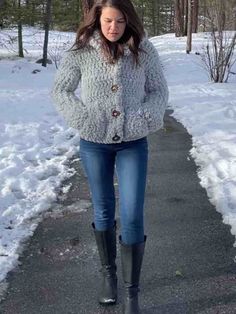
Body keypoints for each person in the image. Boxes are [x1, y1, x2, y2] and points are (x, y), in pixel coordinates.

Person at [52, 0, 168, 313]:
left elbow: (159, 92)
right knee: (103, 210)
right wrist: (83, 119)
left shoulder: (144, 51)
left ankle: (132, 292)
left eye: (119, 21)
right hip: (94, 143)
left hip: (133, 142)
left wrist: (143, 119)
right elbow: (61, 91)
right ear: (97, 20)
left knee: (131, 213)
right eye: (107, 21)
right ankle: (108, 276)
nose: (113, 28)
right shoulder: (80, 52)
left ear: (128, 20)